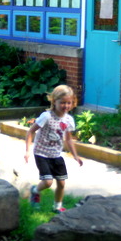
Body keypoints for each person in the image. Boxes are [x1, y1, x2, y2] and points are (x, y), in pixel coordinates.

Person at [24, 85, 83, 213]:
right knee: (48, 182)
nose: (66, 106)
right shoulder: (46, 116)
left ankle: (57, 206)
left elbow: (68, 139)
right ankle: (35, 191)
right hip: (41, 153)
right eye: (62, 102)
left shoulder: (69, 120)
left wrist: (75, 156)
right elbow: (30, 132)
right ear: (54, 101)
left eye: (69, 103)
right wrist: (28, 150)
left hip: (56, 154)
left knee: (61, 183)